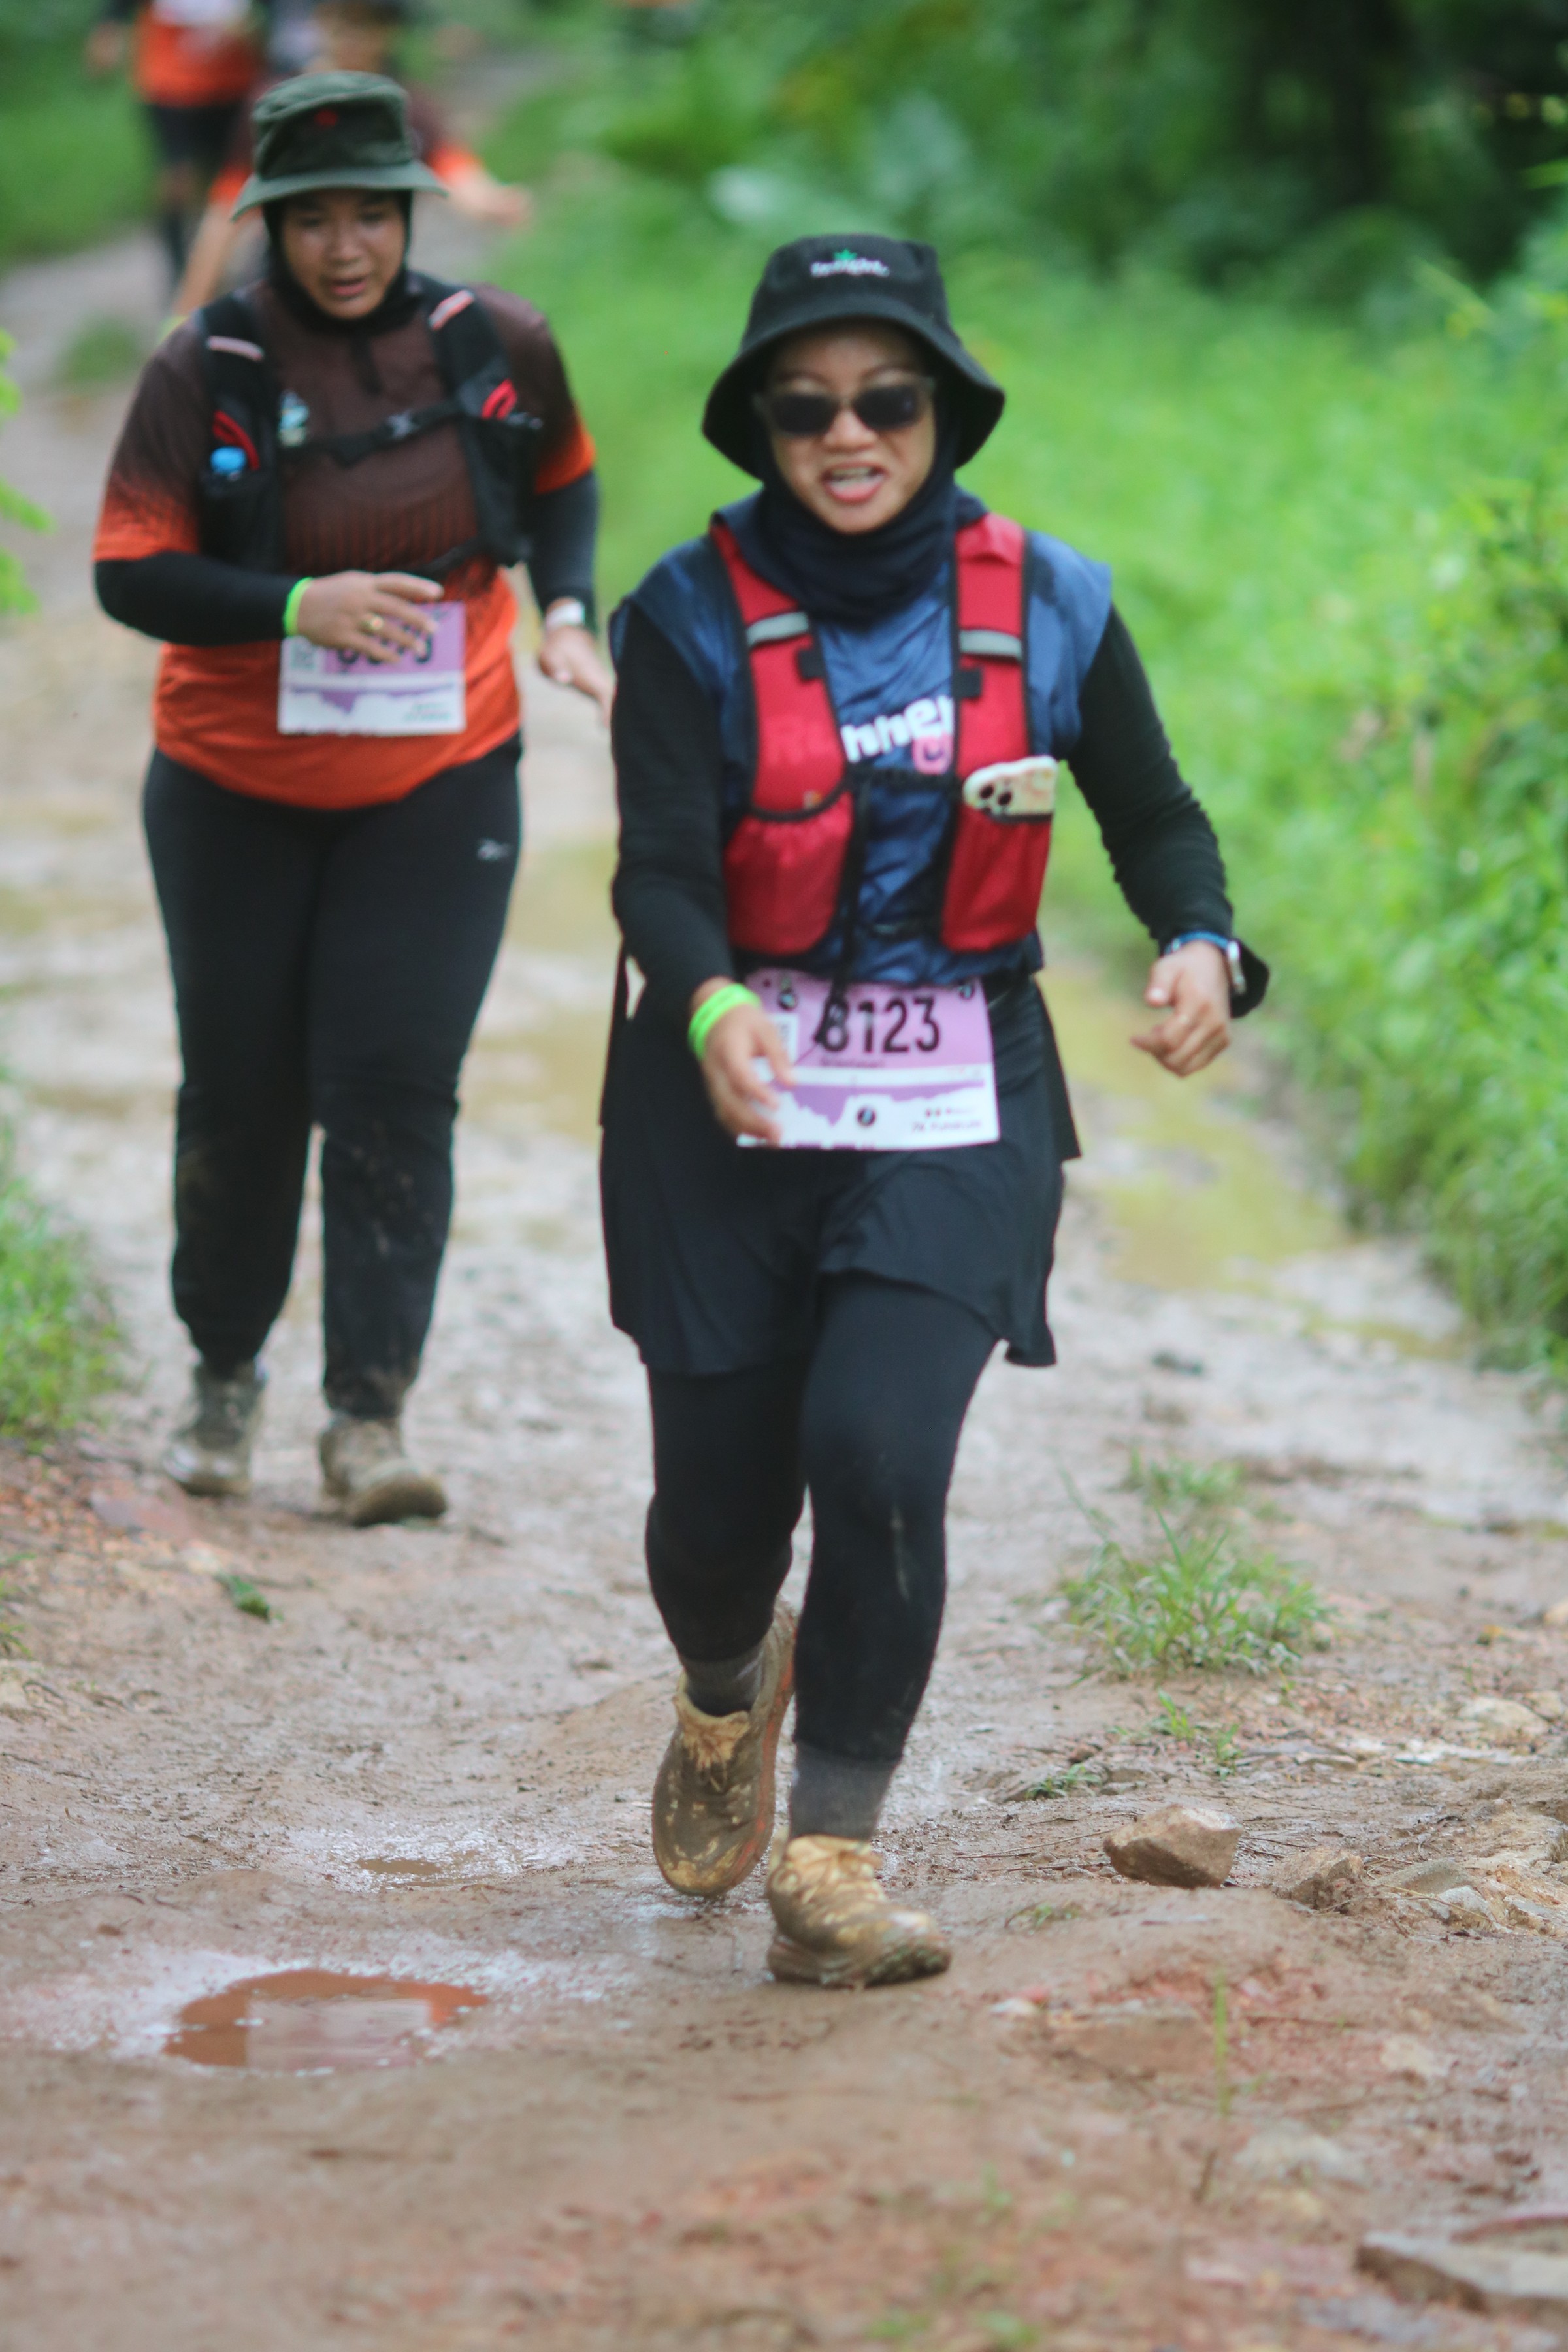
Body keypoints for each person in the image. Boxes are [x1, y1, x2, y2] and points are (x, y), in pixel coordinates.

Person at [602, 233, 1267, 1987]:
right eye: (805, 405)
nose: (847, 432)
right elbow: (659, 871)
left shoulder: (1052, 602)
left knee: (881, 1453)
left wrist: (1200, 941)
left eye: (885, 399)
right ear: (760, 424)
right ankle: (726, 1686)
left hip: (957, 1089)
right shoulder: (680, 613)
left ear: (943, 412)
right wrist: (711, 999)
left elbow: (1155, 817)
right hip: (724, 1098)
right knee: (713, 1529)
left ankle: (831, 1855)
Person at [93, 73, 611, 1526]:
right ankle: (223, 1374)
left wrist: (570, 608)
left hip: (441, 777)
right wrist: (291, 605)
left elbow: (565, 482)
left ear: (408, 210)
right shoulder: (206, 363)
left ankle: (368, 1421)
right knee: (245, 1094)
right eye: (312, 219)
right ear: (268, 222)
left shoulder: (495, 342)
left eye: (370, 215)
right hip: (232, 785)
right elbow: (130, 572)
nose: (344, 247)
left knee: (395, 1091)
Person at [173, 0, 531, 319]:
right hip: (286, 284)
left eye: (370, 22)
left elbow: (456, 171)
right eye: (344, 18)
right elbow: (226, 212)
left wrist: (497, 204)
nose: (355, 35)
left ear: (391, 31)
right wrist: (187, 311)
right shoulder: (276, 109)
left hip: (373, 285)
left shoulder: (406, 107)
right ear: (321, 19)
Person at [86, 0, 271, 290]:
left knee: (225, 185)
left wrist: (255, 29)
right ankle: (179, 276)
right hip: (169, 82)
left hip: (236, 81)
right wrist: (109, 29)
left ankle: (213, 274)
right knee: (178, 180)